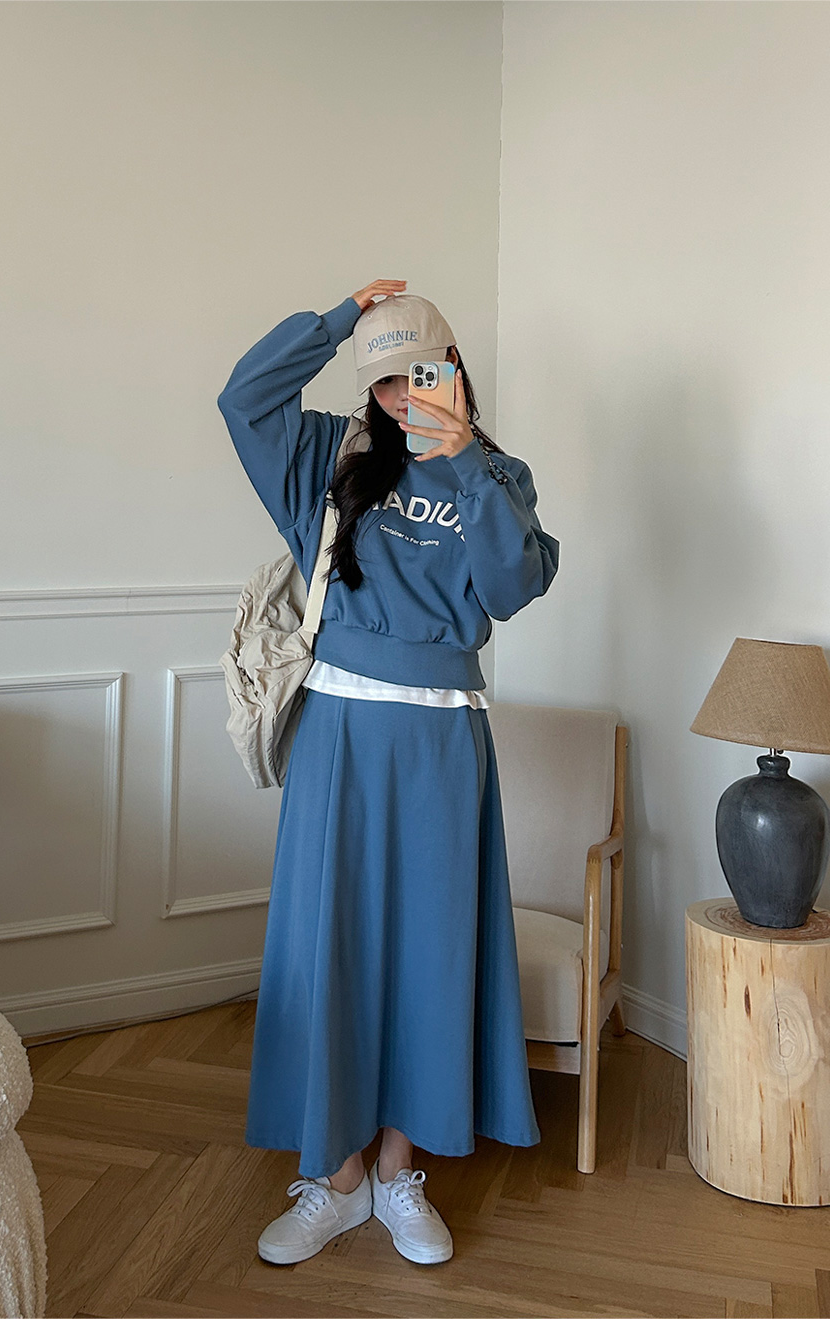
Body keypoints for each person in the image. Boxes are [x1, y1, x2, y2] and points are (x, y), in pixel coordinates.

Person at [216, 278, 559, 1267]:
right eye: (387, 379)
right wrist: (334, 320)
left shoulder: (498, 476)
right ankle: (337, 1177)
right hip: (340, 734)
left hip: (445, 741)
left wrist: (465, 459)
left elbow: (511, 586)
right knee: (328, 945)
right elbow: (243, 398)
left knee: (431, 954)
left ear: (455, 372)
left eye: (423, 373)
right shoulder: (328, 457)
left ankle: (400, 1169)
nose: (405, 394)